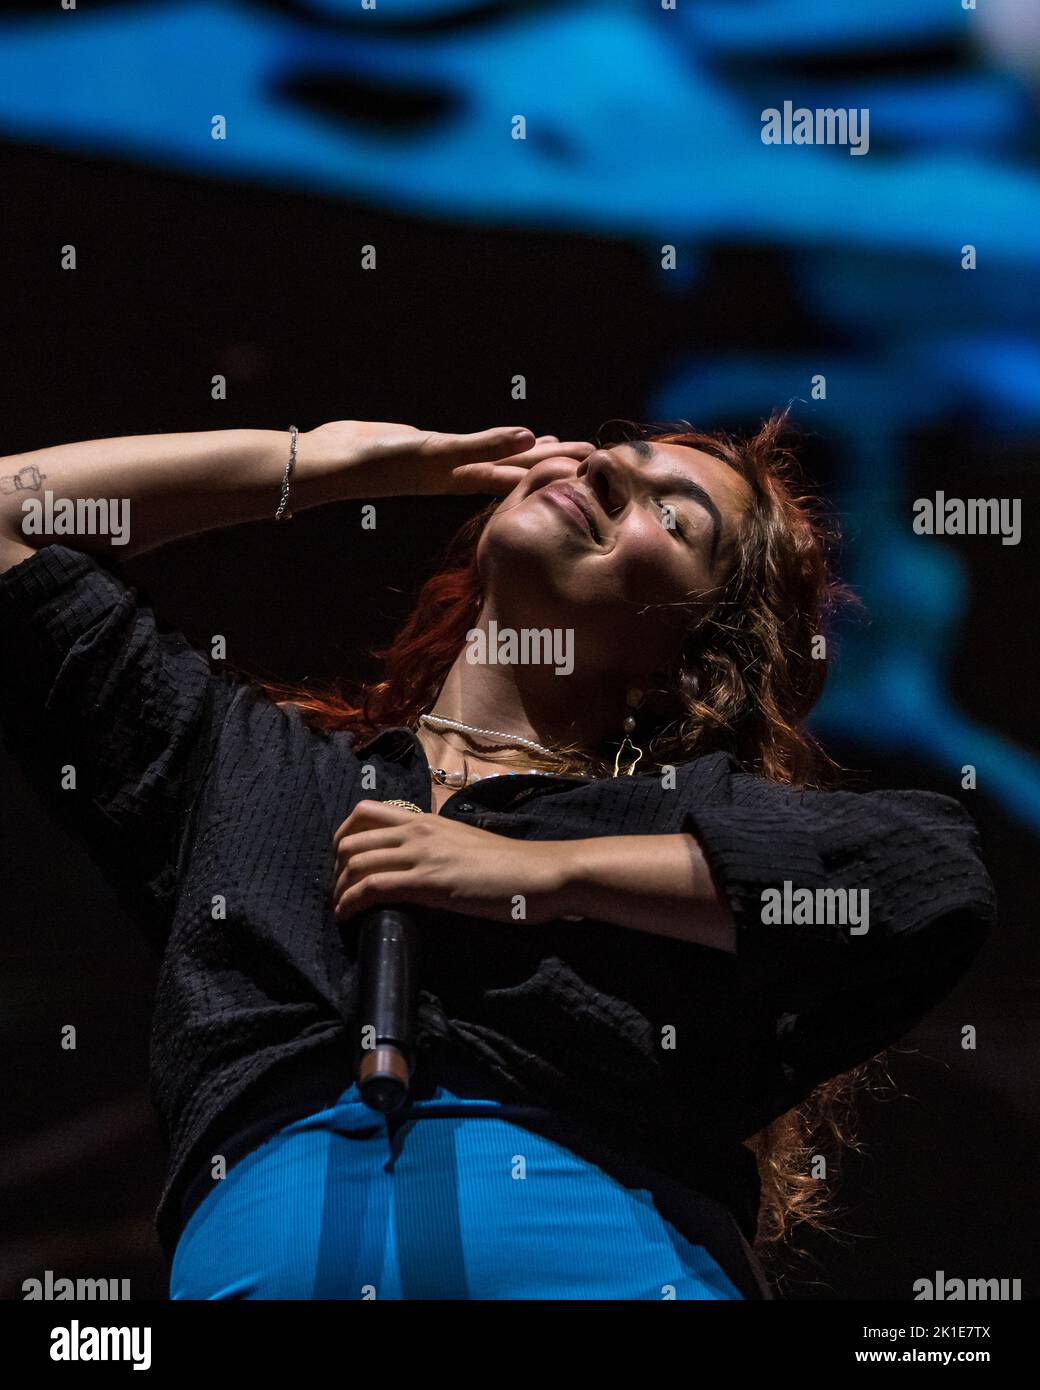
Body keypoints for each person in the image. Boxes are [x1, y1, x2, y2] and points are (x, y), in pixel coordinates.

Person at [0, 419, 996, 1300]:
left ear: (686, 660)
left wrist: (537, 876)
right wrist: (329, 462)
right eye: (617, 454)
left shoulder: (670, 822)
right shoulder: (250, 772)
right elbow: (10, 516)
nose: (605, 468)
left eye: (673, 512)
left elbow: (924, 882)